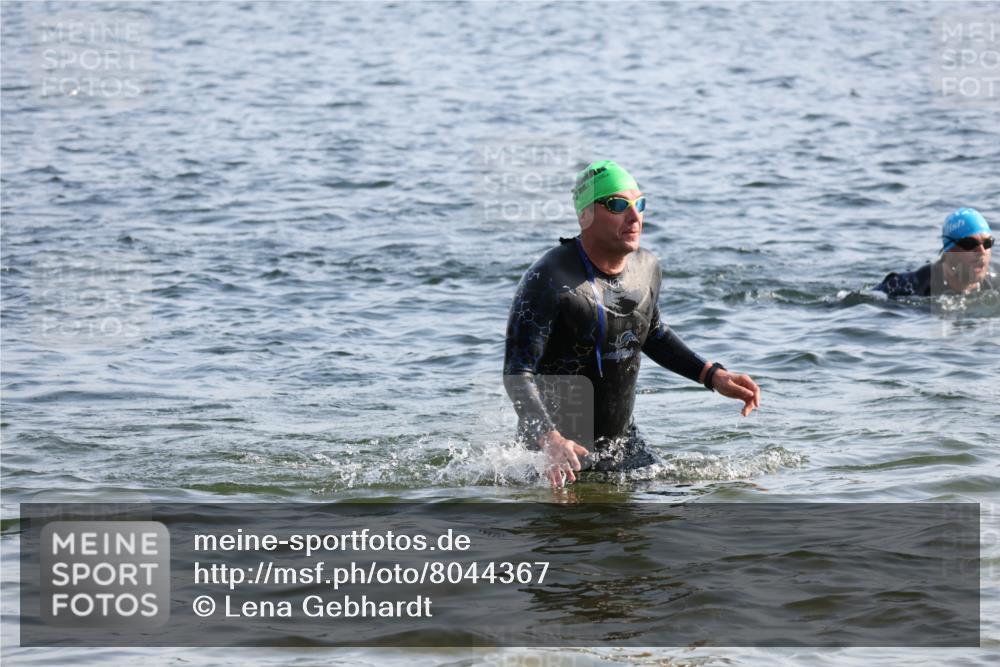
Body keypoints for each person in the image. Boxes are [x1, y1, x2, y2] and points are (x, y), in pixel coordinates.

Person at [503, 160, 761, 488]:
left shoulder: (646, 268)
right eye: (617, 204)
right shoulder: (549, 280)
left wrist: (712, 375)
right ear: (586, 215)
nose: (635, 216)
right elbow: (517, 372)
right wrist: (549, 440)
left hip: (623, 445)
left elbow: (649, 331)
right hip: (557, 456)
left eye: (639, 203)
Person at [875, 208, 996, 298]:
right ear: (949, 250)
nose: (982, 251)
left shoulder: (995, 284)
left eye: (987, 243)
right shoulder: (907, 286)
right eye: (970, 244)